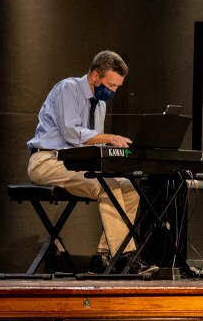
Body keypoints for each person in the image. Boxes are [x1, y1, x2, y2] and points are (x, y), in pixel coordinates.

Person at [26, 50, 155, 275]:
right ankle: (124, 257)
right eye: (111, 85)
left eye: (117, 87)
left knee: (129, 188)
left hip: (75, 164)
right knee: (108, 187)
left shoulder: (100, 104)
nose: (113, 91)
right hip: (47, 161)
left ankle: (103, 258)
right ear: (95, 76)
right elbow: (71, 133)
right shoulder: (68, 89)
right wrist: (109, 138)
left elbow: (92, 147)